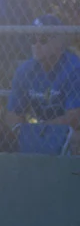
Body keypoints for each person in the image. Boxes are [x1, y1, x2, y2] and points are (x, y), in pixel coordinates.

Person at [5, 14, 80, 153]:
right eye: (33, 39)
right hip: (44, 130)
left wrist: (41, 130)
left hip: (70, 131)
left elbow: (74, 118)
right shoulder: (24, 71)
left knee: (77, 138)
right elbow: (13, 115)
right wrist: (35, 133)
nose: (37, 45)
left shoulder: (74, 68)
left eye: (43, 40)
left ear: (59, 43)